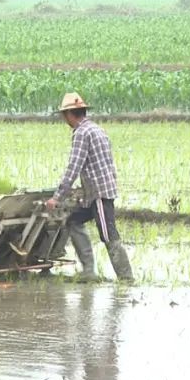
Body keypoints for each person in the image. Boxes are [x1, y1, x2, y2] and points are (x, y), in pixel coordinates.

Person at [44, 92, 134, 283]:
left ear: (70, 114)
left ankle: (126, 279)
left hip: (99, 193)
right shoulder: (97, 129)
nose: (64, 119)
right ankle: (88, 271)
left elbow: (74, 167)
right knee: (73, 221)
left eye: (64, 115)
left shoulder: (82, 133)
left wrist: (57, 197)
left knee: (109, 235)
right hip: (95, 192)